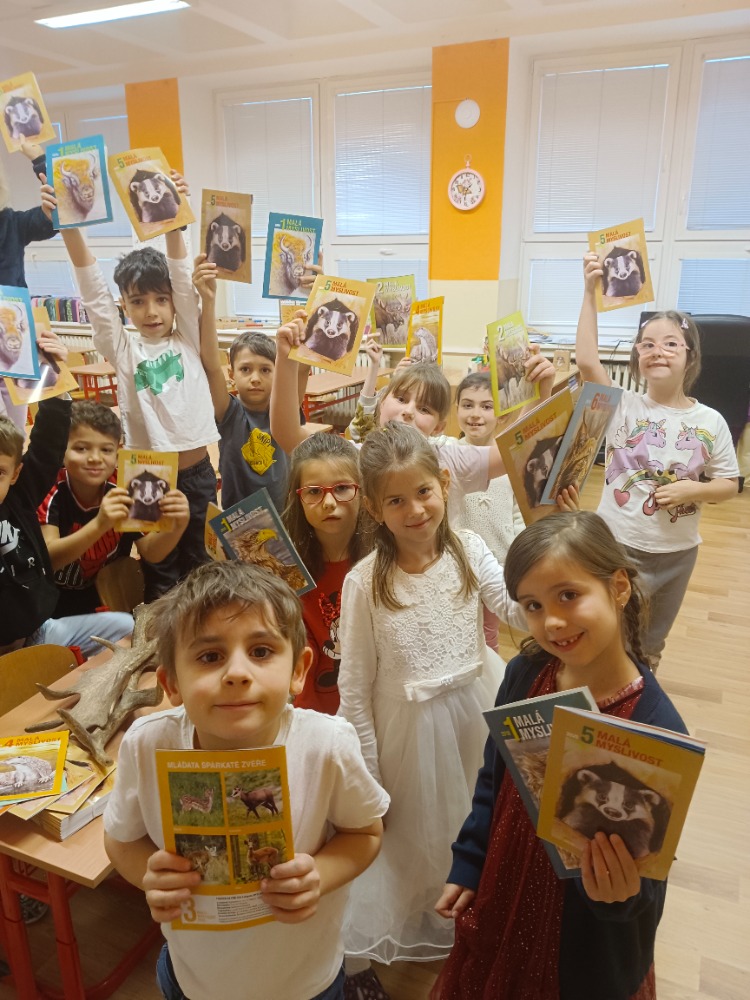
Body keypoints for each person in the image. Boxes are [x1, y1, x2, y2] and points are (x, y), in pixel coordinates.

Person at [103, 561, 389, 1000]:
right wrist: (149, 876)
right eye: (210, 656)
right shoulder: (147, 744)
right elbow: (121, 839)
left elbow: (365, 833)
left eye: (260, 651)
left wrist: (320, 874)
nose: (237, 672)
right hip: (193, 980)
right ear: (171, 683)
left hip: (306, 982)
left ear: (298, 670)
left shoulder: (327, 744)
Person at [433, 510, 688, 1000]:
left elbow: (650, 875)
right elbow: (494, 778)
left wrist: (621, 896)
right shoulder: (526, 673)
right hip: (506, 888)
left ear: (618, 587)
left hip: (584, 945)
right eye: (532, 605)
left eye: (568, 595)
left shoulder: (657, 727)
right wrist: (470, 860)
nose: (551, 621)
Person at [337, 423, 527, 997]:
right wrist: (368, 772)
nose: (415, 510)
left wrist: (561, 594)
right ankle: (405, 926)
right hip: (408, 732)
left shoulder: (469, 549)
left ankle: (470, 906)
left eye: (423, 492)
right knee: (412, 839)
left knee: (474, 818)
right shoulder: (365, 582)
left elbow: (515, 610)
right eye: (395, 501)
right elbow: (354, 686)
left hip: (476, 709)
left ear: (444, 484)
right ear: (375, 509)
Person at [57, 176, 218, 600]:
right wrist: (69, 223)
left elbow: (181, 277)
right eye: (138, 302)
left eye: (161, 299)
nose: (151, 311)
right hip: (149, 475)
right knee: (161, 575)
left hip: (199, 474)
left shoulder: (186, 336)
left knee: (204, 567)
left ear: (174, 302)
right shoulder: (124, 349)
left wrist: (174, 219)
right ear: (125, 306)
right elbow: (93, 291)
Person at [575, 252, 739, 667]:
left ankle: (637, 697)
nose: (658, 351)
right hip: (616, 544)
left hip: (677, 554)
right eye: (647, 344)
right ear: (636, 357)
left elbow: (730, 484)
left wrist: (692, 489)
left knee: (649, 645)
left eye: (670, 344)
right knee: (606, 633)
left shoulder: (710, 421)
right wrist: (590, 291)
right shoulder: (623, 406)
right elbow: (588, 361)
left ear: (690, 356)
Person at [270, 313, 556, 524]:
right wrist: (285, 358)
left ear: (439, 427)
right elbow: (288, 435)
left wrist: (539, 392)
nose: (408, 411)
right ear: (381, 402)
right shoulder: (356, 456)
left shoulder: (449, 458)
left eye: (424, 409)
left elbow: (512, 453)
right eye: (401, 399)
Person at [37, 401, 190, 654]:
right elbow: (48, 559)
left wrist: (177, 525)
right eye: (81, 448)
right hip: (50, 604)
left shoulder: (125, 486)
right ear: (62, 450)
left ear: (117, 453)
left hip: (99, 597)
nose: (95, 458)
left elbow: (152, 553)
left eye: (106, 450)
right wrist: (100, 524)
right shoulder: (52, 489)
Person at [192, 253, 314, 512]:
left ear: (278, 373)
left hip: (284, 517)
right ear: (231, 373)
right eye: (245, 369)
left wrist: (315, 297)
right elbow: (210, 365)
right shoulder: (230, 413)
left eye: (266, 370)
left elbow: (302, 367)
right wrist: (209, 300)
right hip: (239, 522)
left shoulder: (283, 414)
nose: (255, 378)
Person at [281, 432, 370, 714]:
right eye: (314, 491)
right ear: (298, 498)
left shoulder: (381, 559)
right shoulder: (286, 568)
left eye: (342, 488)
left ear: (363, 492)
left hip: (375, 709)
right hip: (314, 713)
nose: (329, 502)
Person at [0, 140, 57, 430]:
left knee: (14, 437)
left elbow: (60, 212)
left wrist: (39, 158)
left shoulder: (11, 223)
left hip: (15, 350)